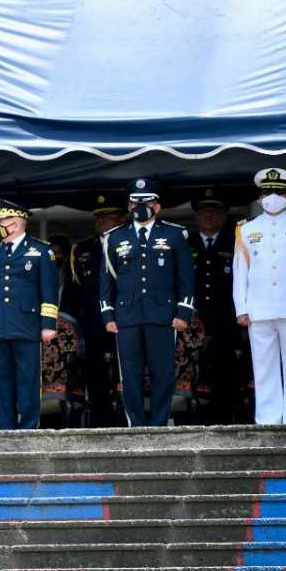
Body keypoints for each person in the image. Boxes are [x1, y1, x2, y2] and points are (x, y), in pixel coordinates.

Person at [100, 178, 195, 427]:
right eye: (136, 202)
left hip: (163, 315)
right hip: (126, 317)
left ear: (158, 206)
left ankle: (159, 424)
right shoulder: (113, 238)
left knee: (162, 373)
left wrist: (183, 312)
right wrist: (108, 315)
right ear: (129, 206)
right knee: (129, 374)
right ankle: (136, 424)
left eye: (147, 202)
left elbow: (186, 278)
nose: (141, 206)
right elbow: (106, 281)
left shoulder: (175, 235)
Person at [0, 199, 59, 430]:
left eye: (3, 220)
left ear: (17, 223)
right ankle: (5, 429)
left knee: (28, 381)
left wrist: (48, 325)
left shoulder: (41, 250)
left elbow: (49, 292)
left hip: (26, 325)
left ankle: (29, 428)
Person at [234, 168, 286, 425]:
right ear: (259, 196)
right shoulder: (246, 229)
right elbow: (240, 271)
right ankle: (268, 419)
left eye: (278, 192)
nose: (273, 197)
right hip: (259, 308)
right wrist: (241, 308)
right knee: (263, 366)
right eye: (268, 192)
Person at [67, 194, 129, 427]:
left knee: (125, 377)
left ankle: (126, 423)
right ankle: (99, 424)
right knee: (95, 378)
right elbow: (72, 297)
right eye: (98, 218)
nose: (100, 222)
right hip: (91, 327)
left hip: (124, 324)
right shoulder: (82, 250)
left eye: (108, 217)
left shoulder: (130, 243)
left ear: (122, 219)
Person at [190, 190, 240, 424]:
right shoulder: (184, 242)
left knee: (226, 372)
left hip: (226, 319)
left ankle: (226, 421)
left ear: (223, 216)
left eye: (214, 212)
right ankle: (191, 423)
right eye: (203, 212)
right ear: (196, 217)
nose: (208, 216)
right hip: (191, 320)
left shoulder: (235, 241)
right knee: (191, 371)